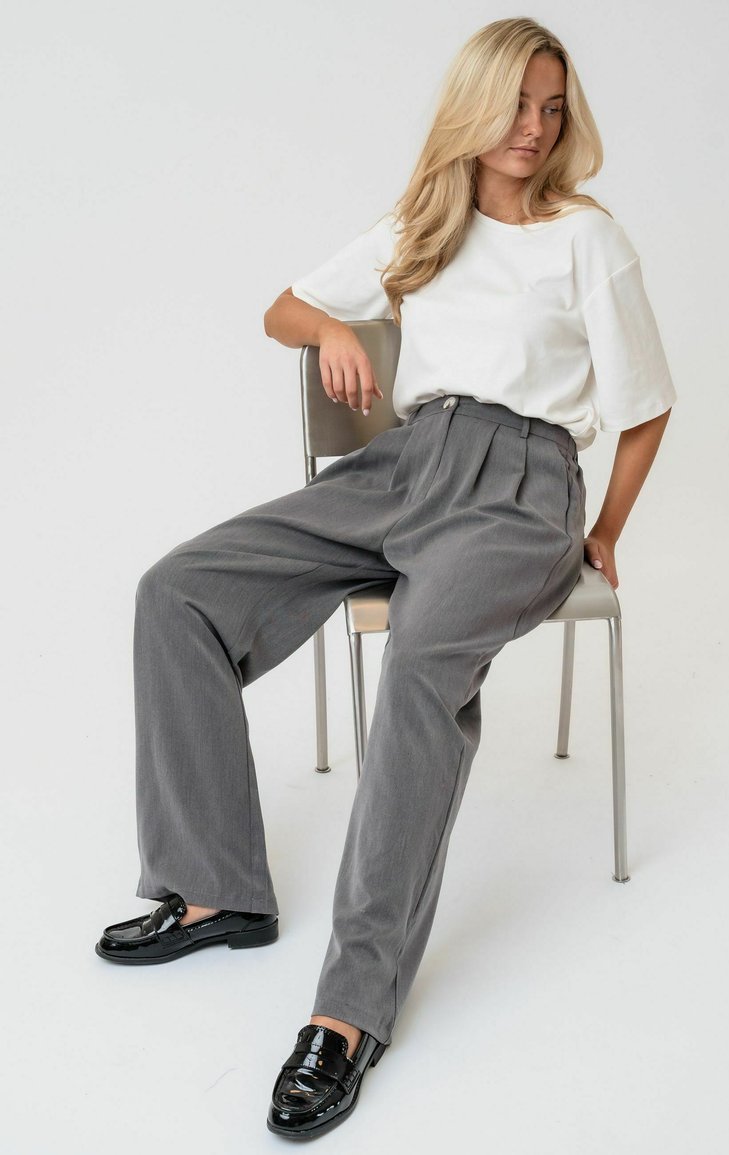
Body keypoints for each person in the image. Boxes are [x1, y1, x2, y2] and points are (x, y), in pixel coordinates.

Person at [94, 16, 677, 1141]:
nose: (533, 128)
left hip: (521, 486)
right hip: (404, 464)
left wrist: (605, 530)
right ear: (474, 106)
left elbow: (646, 405)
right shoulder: (424, 223)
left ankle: (348, 1011)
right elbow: (280, 309)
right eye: (515, 104)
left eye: (551, 108)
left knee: (417, 668)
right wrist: (332, 331)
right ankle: (216, 889)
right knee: (178, 591)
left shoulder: (586, 239)